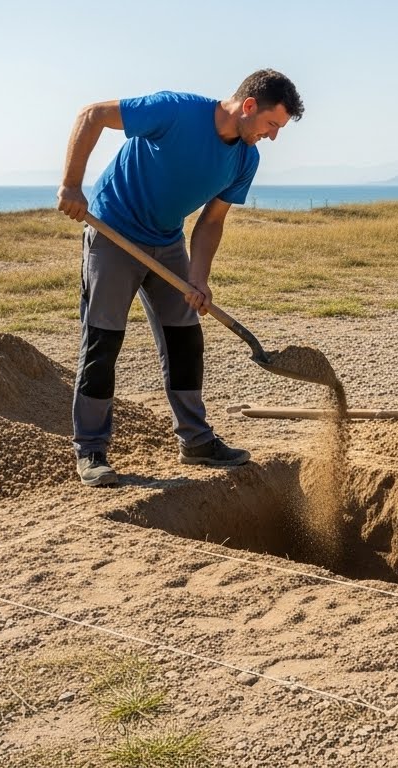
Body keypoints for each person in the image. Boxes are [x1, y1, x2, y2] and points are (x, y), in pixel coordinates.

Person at [57, 69, 304, 487]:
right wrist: (71, 186)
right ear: (248, 107)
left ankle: (195, 441)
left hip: (167, 241)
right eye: (271, 125)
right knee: (104, 338)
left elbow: (211, 221)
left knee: (185, 338)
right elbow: (91, 115)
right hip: (113, 231)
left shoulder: (246, 158)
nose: (273, 136)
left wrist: (198, 278)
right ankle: (91, 450)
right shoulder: (174, 111)